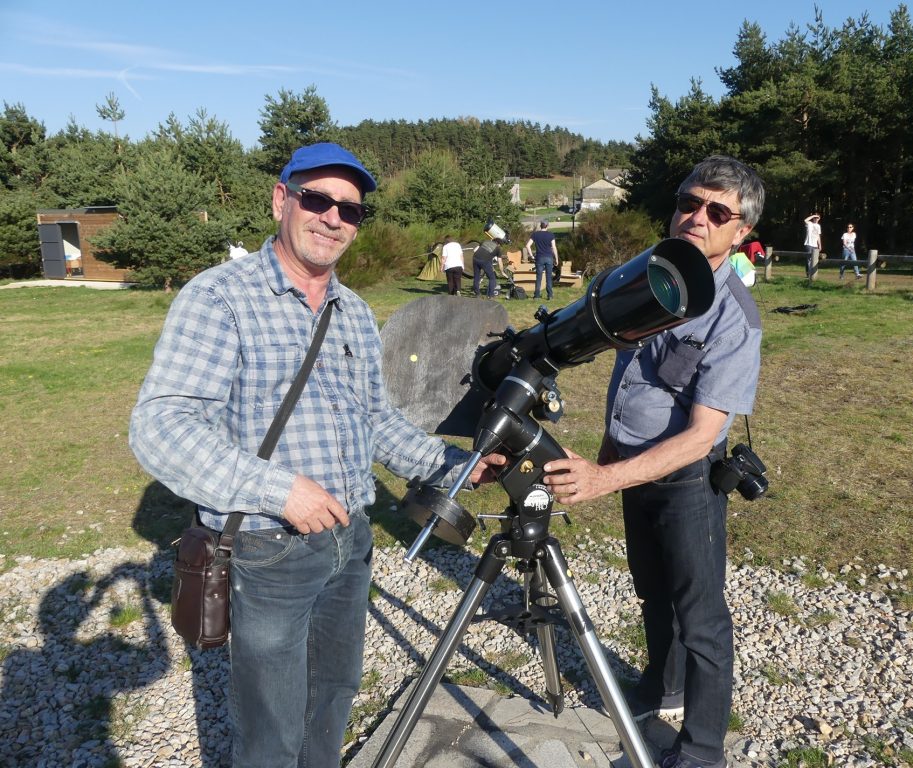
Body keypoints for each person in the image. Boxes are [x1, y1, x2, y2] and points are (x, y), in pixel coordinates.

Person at [129, 142, 504, 768]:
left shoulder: (353, 312)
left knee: (332, 697)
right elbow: (160, 426)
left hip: (350, 541)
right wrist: (280, 492)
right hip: (268, 549)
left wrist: (454, 466)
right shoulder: (220, 297)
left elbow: (376, 423)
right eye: (317, 199)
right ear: (282, 199)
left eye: (350, 210)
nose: (333, 217)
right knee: (272, 726)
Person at [542, 155, 765, 768]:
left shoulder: (734, 319)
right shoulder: (653, 278)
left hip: (686, 482)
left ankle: (701, 751)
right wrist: (613, 453)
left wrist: (602, 477)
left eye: (717, 212)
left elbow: (700, 436)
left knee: (702, 621)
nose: (697, 217)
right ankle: (657, 687)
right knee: (650, 593)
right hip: (633, 470)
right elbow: (630, 373)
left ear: (739, 230)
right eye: (689, 203)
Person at [524, 219, 559, 300]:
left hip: (539, 258)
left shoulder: (535, 234)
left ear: (541, 225)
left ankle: (536, 295)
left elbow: (527, 245)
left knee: (538, 277)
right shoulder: (551, 235)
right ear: (547, 226)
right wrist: (556, 258)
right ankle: (550, 295)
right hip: (549, 258)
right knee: (549, 277)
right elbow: (554, 247)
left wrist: (532, 256)